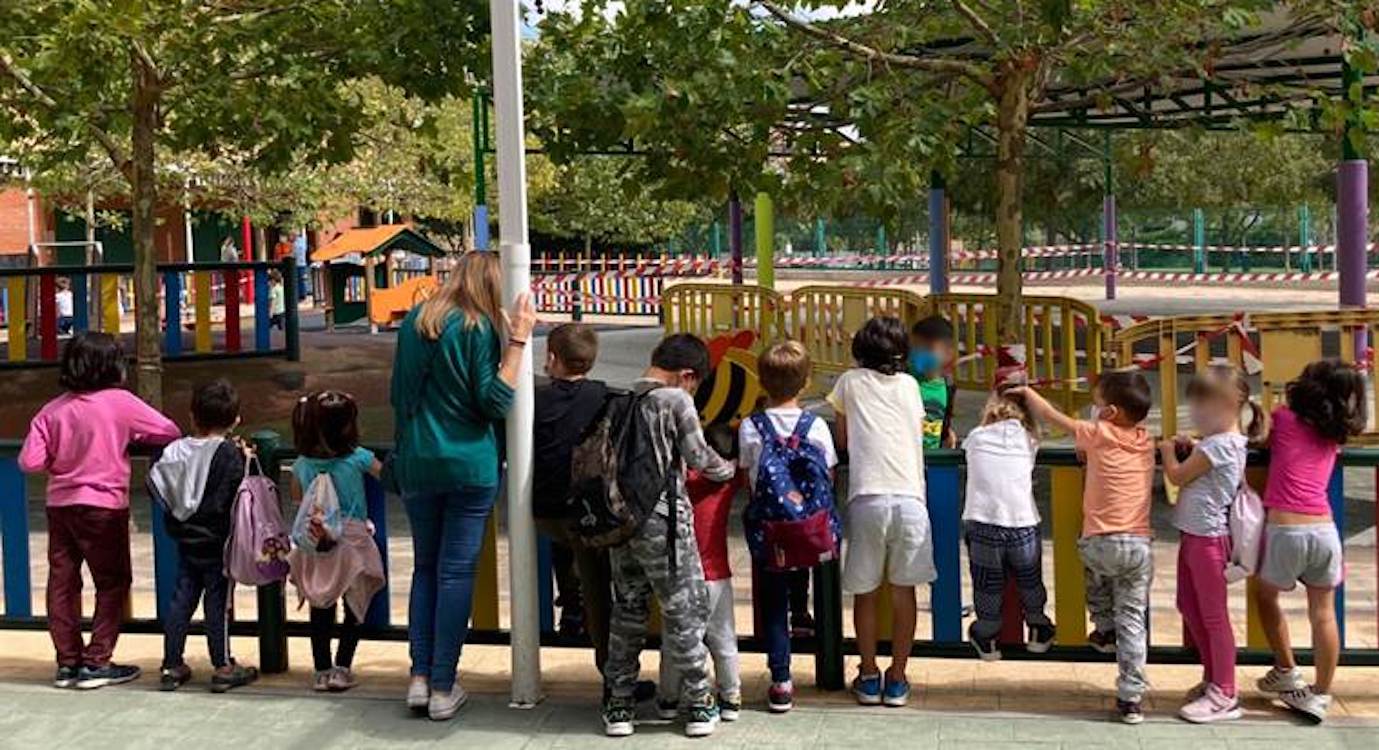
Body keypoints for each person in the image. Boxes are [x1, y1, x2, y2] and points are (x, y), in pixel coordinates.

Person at [390, 251, 536, 721]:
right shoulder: (478, 328)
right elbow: (493, 400)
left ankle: (418, 676)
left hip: (417, 460)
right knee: (455, 574)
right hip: (469, 463)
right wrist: (517, 342)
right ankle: (442, 683)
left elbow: (399, 395)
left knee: (425, 569)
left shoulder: (417, 320)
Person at [18, 332, 181, 690]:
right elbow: (169, 430)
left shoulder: (52, 409)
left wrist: (60, 461)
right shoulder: (120, 403)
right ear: (112, 366)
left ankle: (67, 662)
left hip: (60, 506)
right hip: (104, 507)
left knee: (62, 583)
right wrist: (129, 439)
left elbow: (29, 461)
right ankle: (96, 660)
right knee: (112, 583)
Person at [601, 334, 735, 739]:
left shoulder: (619, 400)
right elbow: (697, 456)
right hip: (663, 523)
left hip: (619, 521)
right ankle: (698, 702)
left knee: (627, 611)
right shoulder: (675, 400)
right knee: (684, 610)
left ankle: (619, 703)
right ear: (687, 375)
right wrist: (727, 469)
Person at [1011, 371, 1155, 724]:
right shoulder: (1146, 441)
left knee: (1094, 572)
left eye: (1097, 403)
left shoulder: (1098, 433)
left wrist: (1029, 392)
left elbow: (1052, 418)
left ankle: (1104, 626)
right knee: (1133, 620)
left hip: (1100, 541)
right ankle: (1131, 696)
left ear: (1109, 412)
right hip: (1138, 545)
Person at [1253, 359, 1365, 724]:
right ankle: (1322, 692)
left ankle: (1285, 668)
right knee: (1323, 613)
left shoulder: (1284, 417)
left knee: (1266, 595)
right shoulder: (1336, 431)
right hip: (1325, 530)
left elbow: (1262, 440)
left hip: (1286, 528)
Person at [828, 317, 931, 709]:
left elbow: (844, 439)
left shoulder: (849, 383)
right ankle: (899, 677)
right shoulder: (910, 386)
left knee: (866, 593)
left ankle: (868, 674)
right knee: (905, 592)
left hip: (867, 496)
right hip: (909, 498)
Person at [1159, 365, 1266, 723]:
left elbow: (1176, 475)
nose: (1198, 414)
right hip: (1195, 535)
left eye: (1205, 406)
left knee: (1213, 616)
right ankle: (1214, 678)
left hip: (1208, 539)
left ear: (1232, 403)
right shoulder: (1220, 443)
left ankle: (1225, 691)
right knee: (1187, 604)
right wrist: (1192, 447)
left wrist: (1167, 451)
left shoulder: (1220, 444)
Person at [739, 340, 838, 713]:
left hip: (770, 530)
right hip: (812, 528)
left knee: (772, 601)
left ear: (761, 381)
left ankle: (781, 679)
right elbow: (828, 473)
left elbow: (747, 473)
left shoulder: (752, 426)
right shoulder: (816, 427)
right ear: (806, 381)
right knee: (815, 575)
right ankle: (820, 646)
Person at [148, 379, 259, 693]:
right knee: (217, 601)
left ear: (192, 416)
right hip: (218, 542)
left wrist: (178, 510)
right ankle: (222, 663)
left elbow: (155, 481)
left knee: (181, 599)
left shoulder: (174, 450)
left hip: (185, 538)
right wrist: (246, 456)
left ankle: (172, 663)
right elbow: (236, 489)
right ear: (235, 420)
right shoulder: (227, 453)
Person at [287, 391, 386, 695]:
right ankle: (342, 667)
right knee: (354, 607)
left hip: (317, 544)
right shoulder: (358, 457)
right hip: (353, 541)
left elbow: (295, 496)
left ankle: (321, 670)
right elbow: (383, 473)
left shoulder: (302, 464)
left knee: (321, 606)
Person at [961, 383, 1055, 662]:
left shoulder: (976, 436)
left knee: (987, 583)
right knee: (1029, 579)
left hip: (983, 520)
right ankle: (1038, 626)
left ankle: (987, 634)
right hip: (1022, 521)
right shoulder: (1030, 440)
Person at [658, 423, 744, 723]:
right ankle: (730, 695)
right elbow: (741, 466)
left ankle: (669, 697)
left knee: (675, 640)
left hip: (679, 572)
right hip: (717, 574)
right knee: (723, 639)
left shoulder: (684, 480)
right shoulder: (729, 481)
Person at [909, 315, 958, 450]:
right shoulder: (905, 381)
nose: (921, 353)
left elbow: (944, 421)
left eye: (929, 348)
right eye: (916, 347)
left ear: (948, 354)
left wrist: (947, 434)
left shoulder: (948, 386)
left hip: (932, 457)